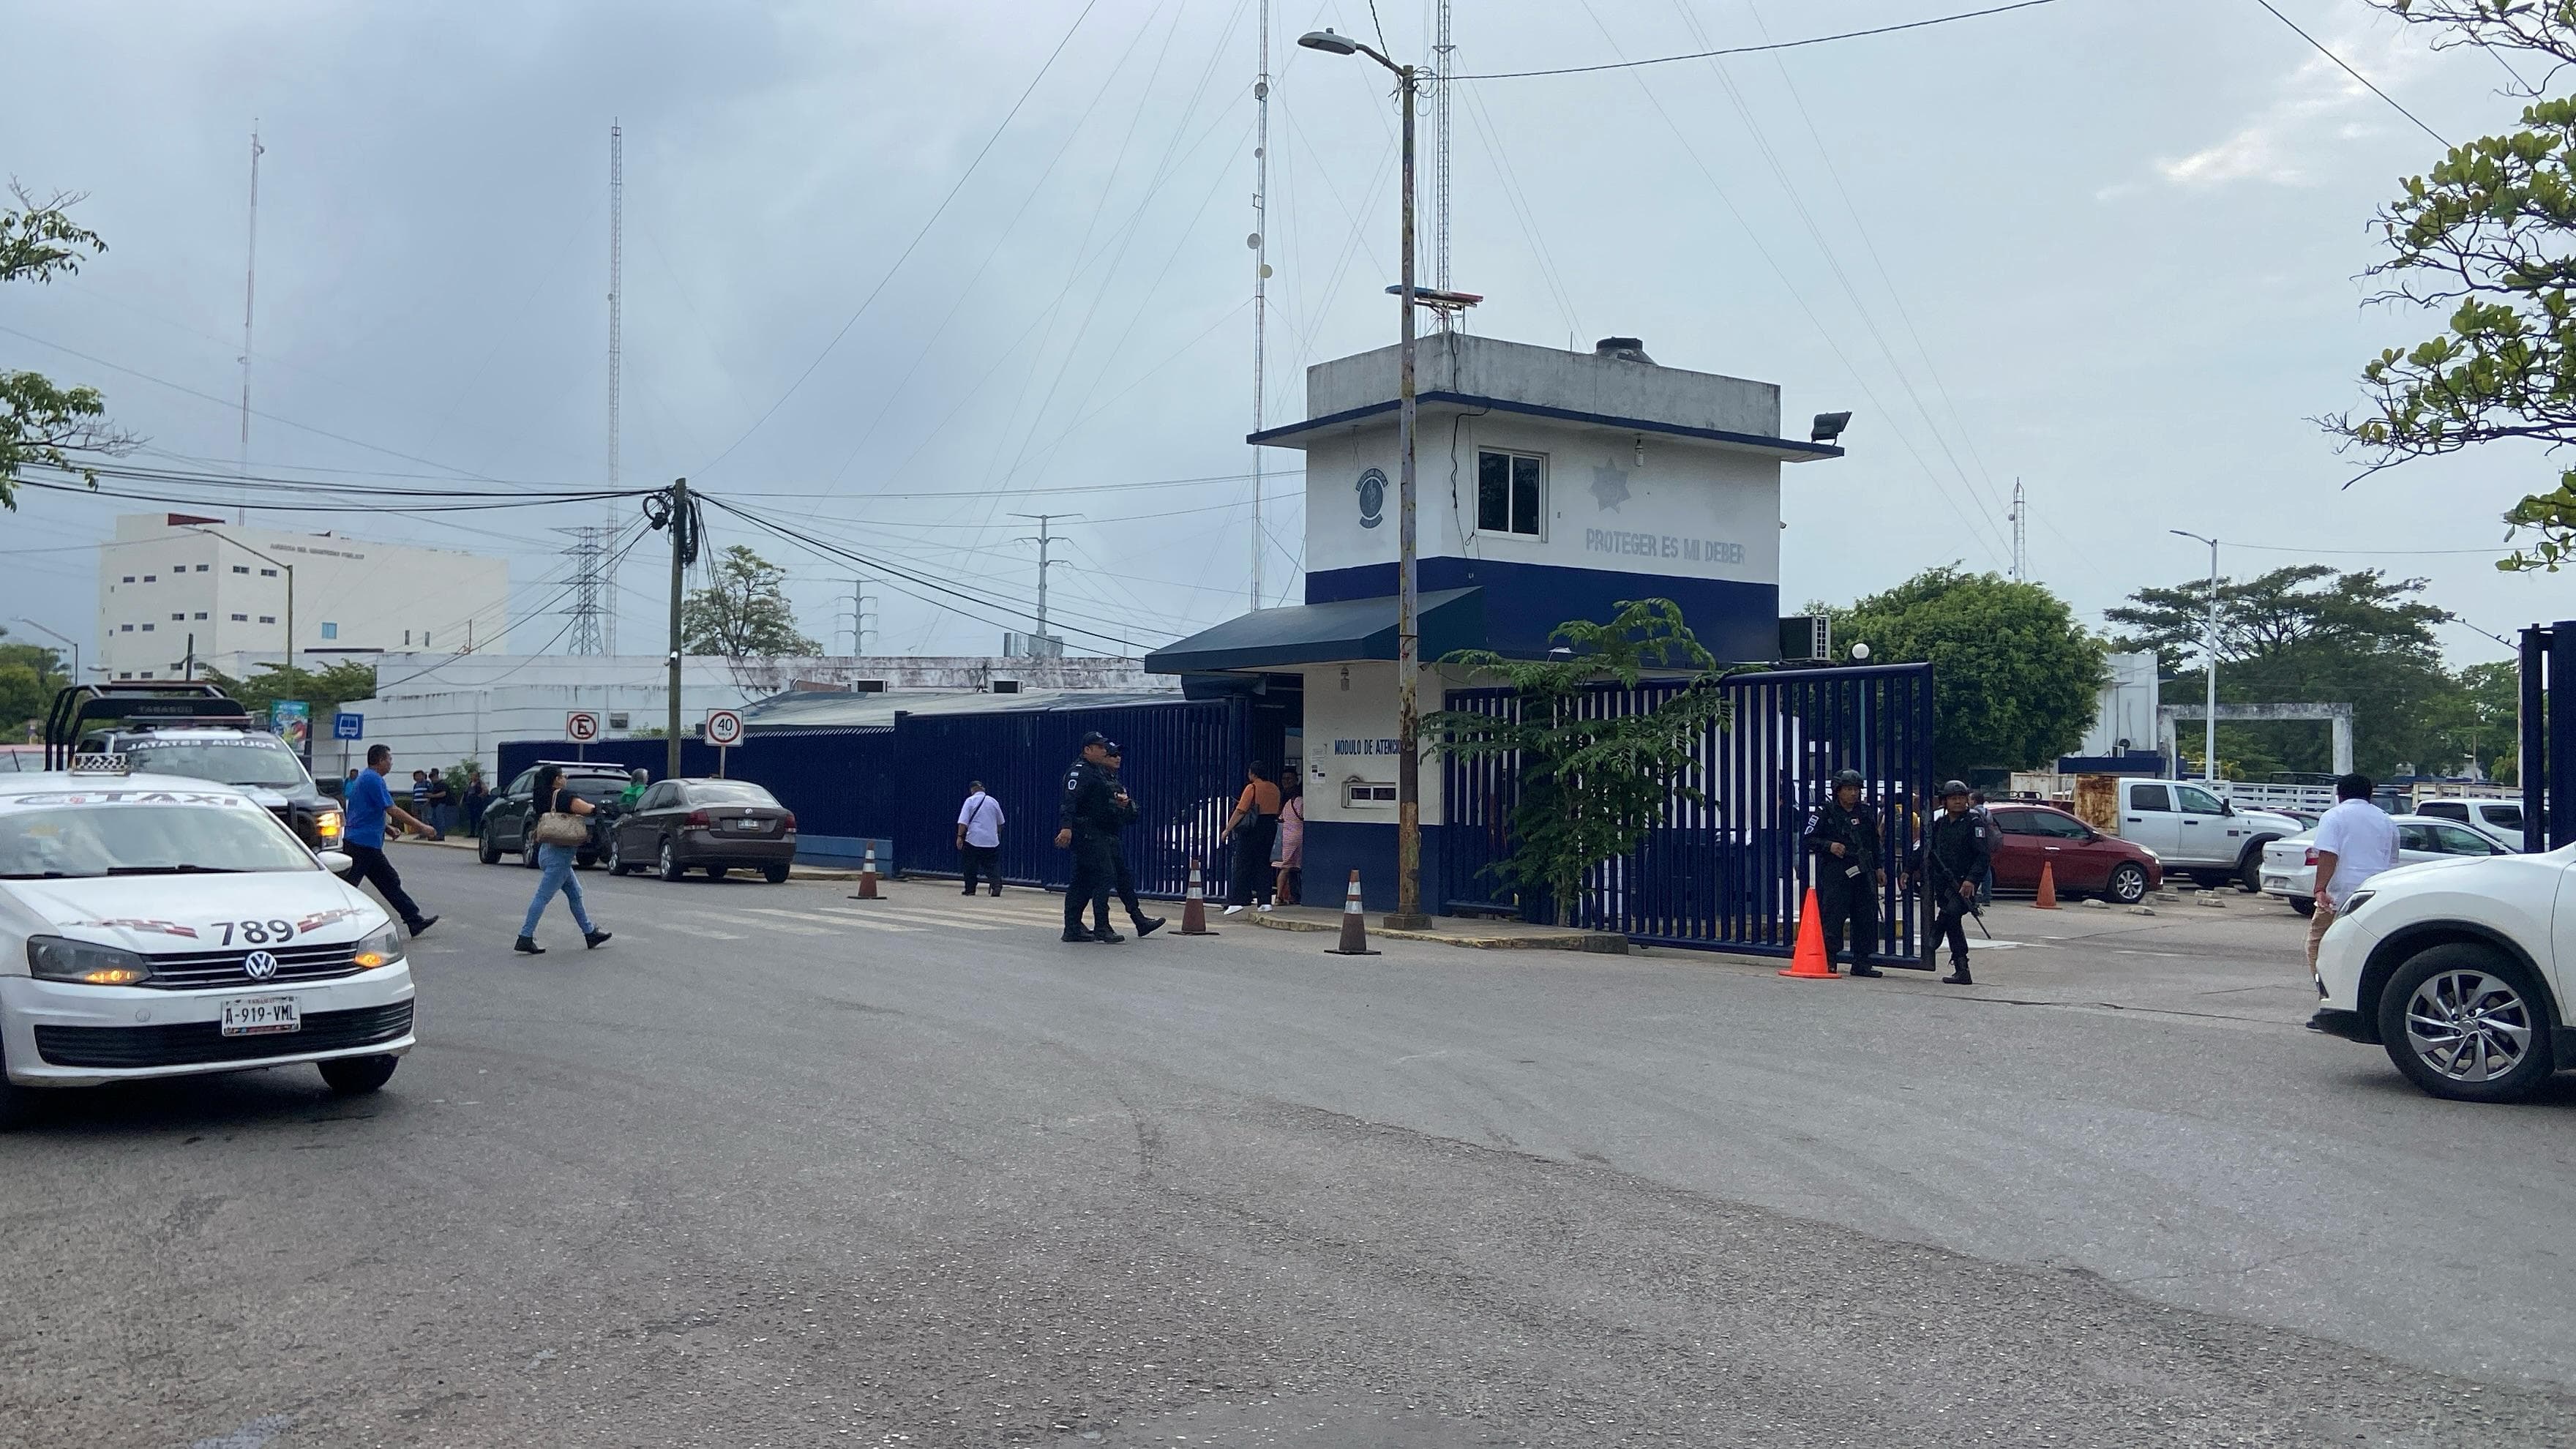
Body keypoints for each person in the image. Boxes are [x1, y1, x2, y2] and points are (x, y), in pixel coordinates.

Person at [338, 744, 439, 940]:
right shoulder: (373, 780)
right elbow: (392, 809)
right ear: (380, 760)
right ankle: (331, 922)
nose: (391, 763)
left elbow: (365, 811)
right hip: (362, 844)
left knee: (388, 881)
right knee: (350, 886)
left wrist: (387, 828)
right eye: (389, 759)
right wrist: (422, 827)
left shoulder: (367, 778)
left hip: (364, 842)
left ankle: (414, 920)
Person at [516, 763, 612, 956]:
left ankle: (590, 933)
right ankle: (525, 936)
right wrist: (597, 808)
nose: (565, 778)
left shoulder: (542, 797)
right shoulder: (561, 796)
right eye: (563, 775)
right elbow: (583, 808)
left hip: (549, 852)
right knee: (542, 896)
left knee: (575, 892)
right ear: (557, 779)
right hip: (558, 857)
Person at [2308, 772, 2398, 974]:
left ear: (2339, 795)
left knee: (2318, 944)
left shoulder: (2333, 816)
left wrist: (2320, 888)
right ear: (2370, 795)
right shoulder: (2386, 820)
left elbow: (2328, 854)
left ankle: (2326, 989)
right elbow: (2392, 861)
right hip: (2376, 894)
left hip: (2339, 896)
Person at [1800, 767, 1884, 976]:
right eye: (1848, 789)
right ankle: (1830, 960)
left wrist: (1879, 868)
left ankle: (1862, 962)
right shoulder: (1826, 812)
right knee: (1834, 916)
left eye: (1856, 789)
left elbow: (1874, 843)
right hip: (1837, 873)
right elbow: (1808, 839)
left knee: (1864, 916)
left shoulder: (1865, 812)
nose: (1853, 794)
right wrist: (1830, 846)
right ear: (1838, 790)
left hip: (1862, 871)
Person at [1907, 780, 1991, 985]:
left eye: (1961, 798)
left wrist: (1972, 880)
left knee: (1952, 912)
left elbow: (1983, 856)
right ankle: (1962, 969)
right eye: (1953, 799)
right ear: (1944, 801)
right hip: (1943, 882)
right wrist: (1908, 869)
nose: (1958, 802)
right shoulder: (1939, 825)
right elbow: (1925, 849)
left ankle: (1936, 930)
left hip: (1964, 882)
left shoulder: (1974, 823)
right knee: (1953, 924)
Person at [1055, 732, 1124, 943]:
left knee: (1082, 880)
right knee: (1105, 876)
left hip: (1096, 831)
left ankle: (1073, 927)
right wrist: (1066, 828)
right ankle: (1102, 926)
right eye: (1100, 748)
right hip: (1088, 833)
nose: (1105, 751)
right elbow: (1070, 801)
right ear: (1088, 750)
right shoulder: (1080, 772)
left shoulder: (1095, 771)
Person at [1094, 745, 1165, 939]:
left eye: (1119, 755)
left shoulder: (1113, 780)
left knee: (1123, 879)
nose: (1118, 758)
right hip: (1097, 836)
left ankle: (1138, 919)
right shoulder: (1097, 778)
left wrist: (1126, 806)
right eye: (1113, 755)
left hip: (1112, 835)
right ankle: (1098, 926)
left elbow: (1129, 812)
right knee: (1100, 882)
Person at [1218, 763, 1282, 915]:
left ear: (1253, 774)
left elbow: (1241, 810)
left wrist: (1228, 829)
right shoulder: (1275, 788)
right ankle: (1265, 902)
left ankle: (1237, 901)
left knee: (1242, 864)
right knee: (1264, 864)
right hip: (1270, 827)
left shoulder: (1252, 788)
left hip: (1253, 828)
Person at [955, 780, 1006, 897]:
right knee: (992, 865)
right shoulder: (993, 801)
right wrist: (996, 834)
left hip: (973, 839)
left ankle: (970, 889)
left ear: (972, 790)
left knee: (970, 865)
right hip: (991, 841)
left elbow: (963, 822)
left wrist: (959, 837)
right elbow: (1001, 822)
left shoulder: (970, 801)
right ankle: (996, 886)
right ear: (983, 789)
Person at [1271, 778, 1305, 908]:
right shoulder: (1302, 802)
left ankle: (1280, 896)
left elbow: (1281, 818)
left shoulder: (1288, 803)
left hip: (1286, 837)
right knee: (1294, 867)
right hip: (1299, 837)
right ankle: (1291, 896)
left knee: (1286, 867)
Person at [423, 770, 454, 835]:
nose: (432, 780)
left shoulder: (442, 784)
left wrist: (432, 796)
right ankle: (435, 833)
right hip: (434, 805)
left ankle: (441, 834)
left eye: (433, 778)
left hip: (441, 804)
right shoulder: (434, 785)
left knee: (440, 819)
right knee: (434, 820)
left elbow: (443, 794)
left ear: (436, 776)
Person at [463, 768, 490, 836]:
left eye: (475, 775)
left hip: (477, 803)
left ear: (478, 777)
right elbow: (466, 792)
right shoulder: (470, 783)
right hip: (470, 803)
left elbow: (486, 791)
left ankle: (479, 833)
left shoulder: (480, 783)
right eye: (472, 775)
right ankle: (472, 832)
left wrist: (479, 796)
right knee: (472, 818)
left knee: (478, 818)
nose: (473, 777)